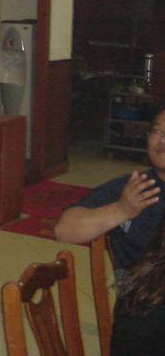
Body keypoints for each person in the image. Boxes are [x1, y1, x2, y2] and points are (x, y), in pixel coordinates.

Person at [54, 103, 165, 356]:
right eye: (157, 131)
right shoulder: (135, 188)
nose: (161, 140)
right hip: (142, 319)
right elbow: (65, 230)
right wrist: (122, 209)